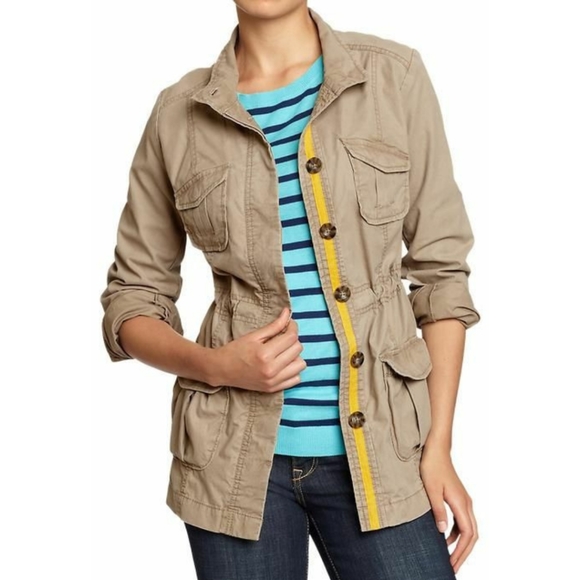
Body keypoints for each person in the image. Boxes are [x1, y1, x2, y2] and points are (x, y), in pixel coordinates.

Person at [100, 2, 481, 578]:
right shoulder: (178, 115)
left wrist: (439, 448)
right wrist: (215, 365)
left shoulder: (392, 77)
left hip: (384, 455)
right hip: (233, 468)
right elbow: (131, 300)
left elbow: (441, 275)